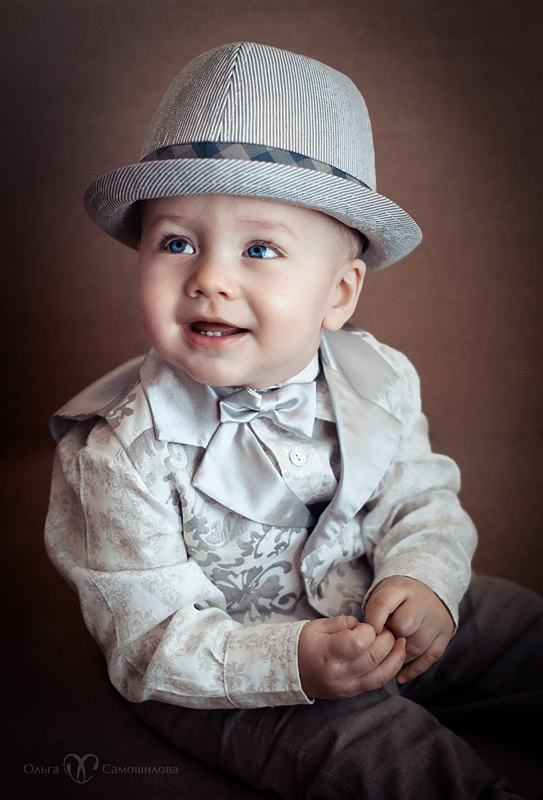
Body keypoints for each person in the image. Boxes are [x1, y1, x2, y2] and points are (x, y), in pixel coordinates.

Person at [44, 42, 542, 799]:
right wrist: (292, 664)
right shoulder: (115, 450)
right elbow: (149, 638)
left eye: (259, 248)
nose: (210, 278)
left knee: (518, 628)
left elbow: (419, 499)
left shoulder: (375, 380)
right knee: (380, 753)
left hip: (372, 602)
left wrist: (423, 580)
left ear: (339, 294)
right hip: (231, 674)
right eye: (176, 242)